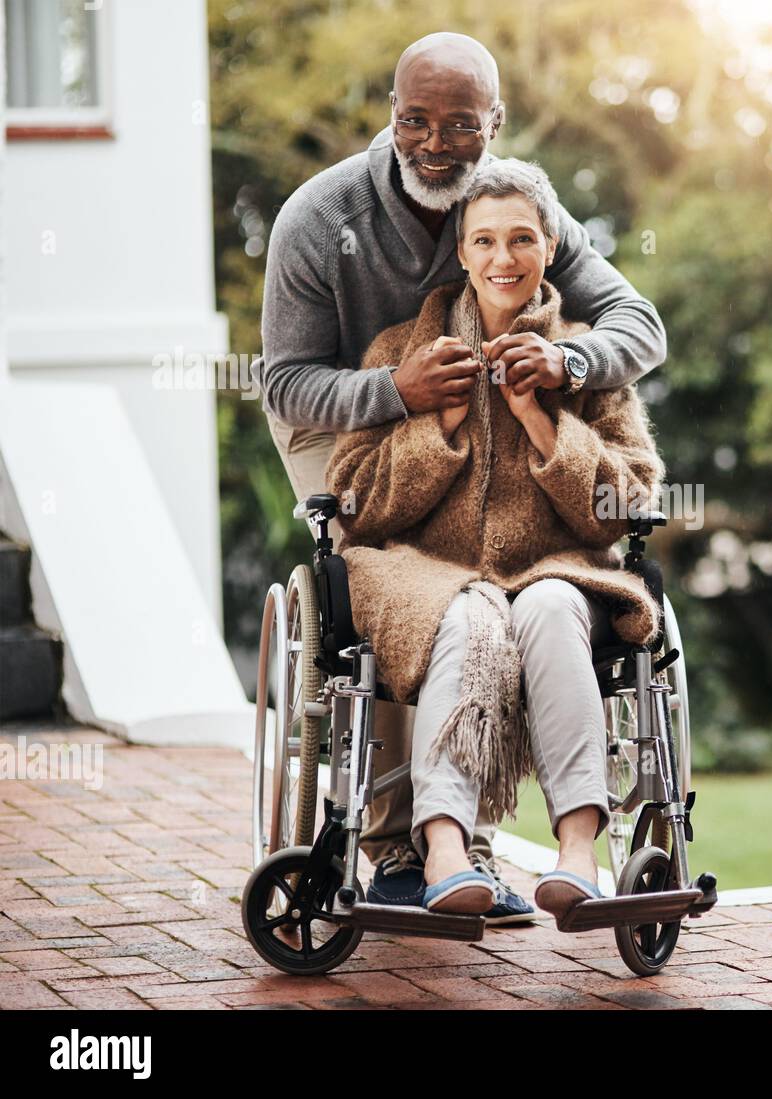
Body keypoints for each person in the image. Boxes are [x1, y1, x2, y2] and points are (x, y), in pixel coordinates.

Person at [253, 32, 667, 921]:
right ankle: (413, 845)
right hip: (343, 400)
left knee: (541, 605)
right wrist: (400, 396)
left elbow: (639, 332)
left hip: (530, 509)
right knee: (402, 583)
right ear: (391, 117)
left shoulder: (513, 209)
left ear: (496, 126)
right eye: (416, 121)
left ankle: (551, 847)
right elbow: (286, 382)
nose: (437, 143)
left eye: (462, 125)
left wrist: (564, 377)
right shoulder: (318, 221)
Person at [325, 158, 663, 917]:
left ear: (549, 247)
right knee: (471, 613)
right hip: (422, 570)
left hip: (557, 568)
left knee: (544, 606)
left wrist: (546, 420)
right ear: (462, 252)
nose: (502, 259)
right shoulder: (397, 353)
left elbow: (628, 502)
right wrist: (437, 425)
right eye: (483, 241)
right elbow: (355, 504)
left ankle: (578, 855)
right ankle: (445, 849)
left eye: (520, 240)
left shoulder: (585, 355)